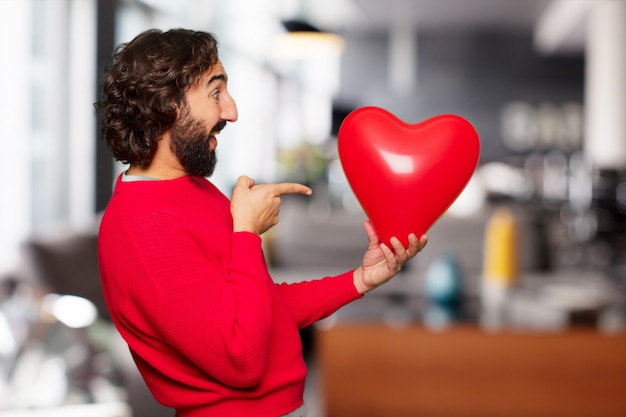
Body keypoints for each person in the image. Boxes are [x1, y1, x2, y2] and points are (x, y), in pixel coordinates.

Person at [95, 28, 428, 417]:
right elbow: (241, 357)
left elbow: (257, 307)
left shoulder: (193, 190)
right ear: (168, 104)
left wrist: (359, 280)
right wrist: (247, 232)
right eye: (216, 92)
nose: (231, 111)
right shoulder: (143, 229)